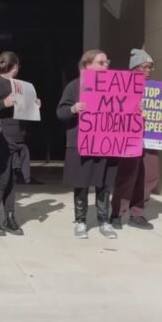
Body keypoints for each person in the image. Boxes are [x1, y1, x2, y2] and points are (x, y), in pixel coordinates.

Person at [57, 49, 118, 239]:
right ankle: (81, 221)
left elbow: (123, 108)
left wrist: (134, 107)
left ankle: (104, 221)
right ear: (87, 65)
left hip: (106, 142)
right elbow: (61, 112)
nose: (106, 66)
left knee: (104, 184)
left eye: (107, 62)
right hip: (82, 143)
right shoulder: (75, 86)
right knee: (81, 184)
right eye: (101, 62)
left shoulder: (114, 86)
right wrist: (74, 108)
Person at [0, 51, 38, 236]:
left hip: (17, 138)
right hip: (2, 138)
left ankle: (10, 217)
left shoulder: (19, 85)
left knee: (11, 180)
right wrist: (3, 103)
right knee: (1, 180)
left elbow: (22, 108)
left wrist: (33, 104)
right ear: (16, 67)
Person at [109, 49, 158, 230]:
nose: (148, 70)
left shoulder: (156, 89)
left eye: (150, 67)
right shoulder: (122, 85)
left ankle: (137, 213)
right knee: (128, 175)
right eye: (144, 66)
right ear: (133, 68)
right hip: (129, 137)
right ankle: (117, 212)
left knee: (150, 175)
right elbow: (113, 108)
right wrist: (133, 107)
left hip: (151, 137)